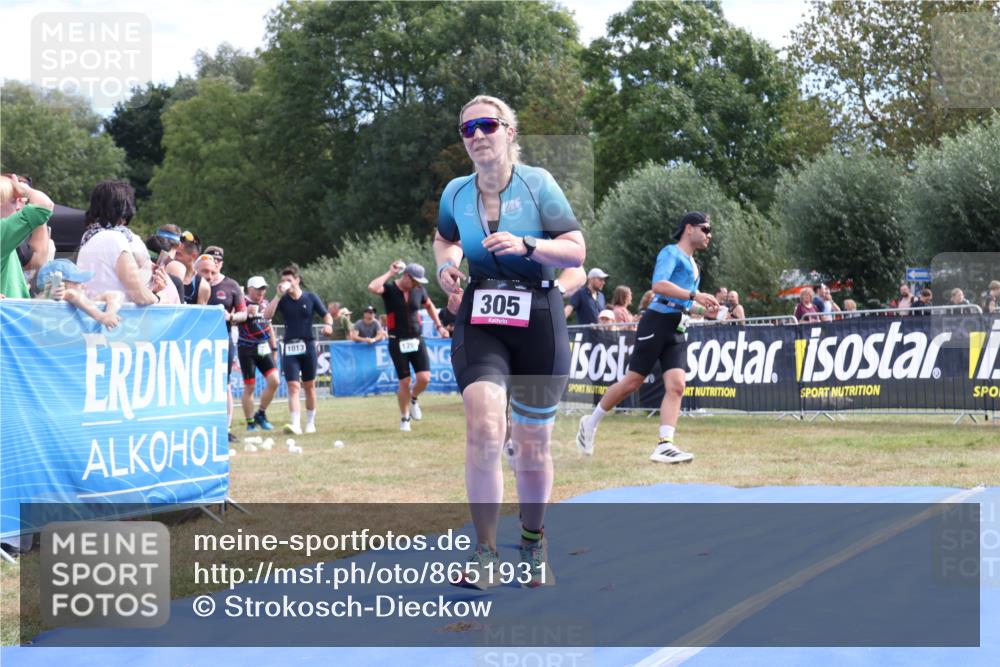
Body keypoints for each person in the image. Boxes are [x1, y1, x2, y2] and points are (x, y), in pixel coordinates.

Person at [435, 94, 586, 588]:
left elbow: (576, 252)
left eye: (488, 125)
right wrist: (446, 267)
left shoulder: (538, 184)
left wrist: (528, 244)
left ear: (509, 133)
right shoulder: (456, 192)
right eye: (468, 129)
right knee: (483, 427)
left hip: (539, 315)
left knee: (533, 445)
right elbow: (445, 238)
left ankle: (533, 539)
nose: (477, 135)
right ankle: (484, 555)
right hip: (480, 316)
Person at [576, 211, 718, 464]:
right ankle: (591, 421)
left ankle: (665, 445)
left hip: (676, 324)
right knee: (632, 382)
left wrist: (702, 309)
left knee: (677, 385)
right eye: (705, 229)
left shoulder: (694, 264)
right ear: (689, 228)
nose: (709, 235)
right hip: (656, 321)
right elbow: (659, 286)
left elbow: (681, 300)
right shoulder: (670, 253)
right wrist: (695, 296)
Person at [369, 260, 448, 431]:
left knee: (424, 378)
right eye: (414, 281)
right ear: (406, 276)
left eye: (419, 282)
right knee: (404, 381)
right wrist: (390, 272)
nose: (416, 285)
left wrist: (439, 326)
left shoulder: (419, 290)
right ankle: (405, 418)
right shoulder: (390, 289)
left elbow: (429, 305)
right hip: (397, 340)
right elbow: (372, 287)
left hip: (416, 339)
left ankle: (413, 398)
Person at [263, 263, 333, 435]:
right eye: (283, 280)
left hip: (308, 345)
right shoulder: (283, 299)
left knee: (309, 386)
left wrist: (328, 325)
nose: (286, 283)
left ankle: (310, 422)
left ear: (297, 280)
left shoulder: (311, 297)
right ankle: (295, 424)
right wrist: (278, 295)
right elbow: (266, 315)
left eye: (289, 280)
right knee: (293, 386)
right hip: (289, 347)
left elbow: (327, 315)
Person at [76, 180, 167, 305]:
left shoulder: (88, 239)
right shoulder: (115, 239)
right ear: (124, 209)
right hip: (117, 318)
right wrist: (158, 299)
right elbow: (138, 295)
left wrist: (152, 290)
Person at [195, 246, 247, 443]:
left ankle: (225, 428)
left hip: (223, 341)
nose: (214, 264)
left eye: (218, 261)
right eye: (210, 260)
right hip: (198, 342)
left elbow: (244, 313)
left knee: (224, 385)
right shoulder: (195, 282)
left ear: (222, 263)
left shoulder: (231, 285)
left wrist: (232, 316)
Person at [1, 174, 55, 299]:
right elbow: (45, 205)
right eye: (14, 200)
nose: (19, 206)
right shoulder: (2, 231)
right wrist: (25, 190)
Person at [238, 275, 279, 432]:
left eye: (263, 289)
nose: (261, 292)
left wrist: (274, 348)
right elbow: (234, 320)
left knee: (275, 381)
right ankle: (250, 423)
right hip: (246, 349)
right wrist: (246, 313)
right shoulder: (242, 302)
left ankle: (260, 414)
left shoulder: (266, 304)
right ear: (250, 289)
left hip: (263, 348)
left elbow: (269, 327)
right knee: (250, 387)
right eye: (258, 289)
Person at [35, 258, 122, 329]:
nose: (84, 286)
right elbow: (72, 294)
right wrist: (102, 317)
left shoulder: (84, 303)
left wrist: (110, 313)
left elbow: (116, 295)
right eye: (77, 282)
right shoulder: (59, 297)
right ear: (60, 285)